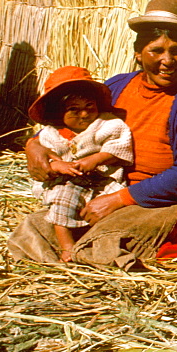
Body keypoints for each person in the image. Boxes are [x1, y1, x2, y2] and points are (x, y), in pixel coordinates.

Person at [9, 0, 177, 268]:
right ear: (138, 53)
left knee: (109, 238)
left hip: (154, 202)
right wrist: (35, 145)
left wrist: (119, 200)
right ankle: (75, 260)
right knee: (34, 227)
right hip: (100, 189)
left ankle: (83, 261)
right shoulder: (118, 86)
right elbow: (70, 125)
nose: (168, 60)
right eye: (156, 50)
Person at [28, 66, 134, 261]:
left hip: (102, 181)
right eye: (74, 110)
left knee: (111, 216)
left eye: (89, 107)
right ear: (58, 111)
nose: (84, 115)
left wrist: (95, 159)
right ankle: (67, 247)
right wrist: (58, 166)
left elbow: (119, 147)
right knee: (61, 201)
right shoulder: (50, 135)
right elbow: (45, 162)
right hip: (65, 183)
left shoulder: (107, 124)